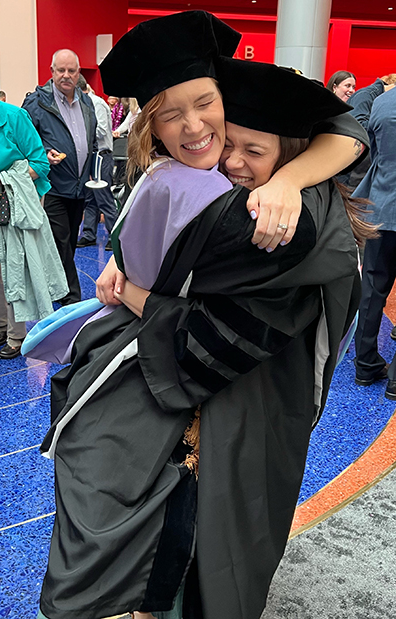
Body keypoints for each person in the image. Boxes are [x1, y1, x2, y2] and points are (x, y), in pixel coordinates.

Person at [26, 11, 367, 619]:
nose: (230, 157)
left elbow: (203, 339)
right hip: (202, 397)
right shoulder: (187, 182)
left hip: (240, 404)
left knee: (201, 545)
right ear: (149, 124)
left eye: (252, 149)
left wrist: (132, 293)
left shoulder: (280, 227)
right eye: (171, 114)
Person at [22, 49, 97, 305]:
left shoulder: (86, 103)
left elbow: (90, 140)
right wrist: (44, 152)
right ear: (51, 71)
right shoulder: (37, 102)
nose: (66, 76)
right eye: (60, 70)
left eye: (71, 71)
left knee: (69, 242)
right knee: (61, 240)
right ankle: (71, 297)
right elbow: (25, 142)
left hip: (79, 186)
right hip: (51, 185)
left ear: (79, 73)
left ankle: (58, 285)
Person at [0, 99, 68, 359]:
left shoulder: (15, 117)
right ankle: (0, 326)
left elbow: (40, 164)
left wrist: (3, 178)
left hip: (13, 207)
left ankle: (17, 335)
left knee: (14, 268)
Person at [353, 85, 396, 395]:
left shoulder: (381, 103)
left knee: (371, 289)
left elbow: (375, 156)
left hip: (380, 206)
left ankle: (365, 366)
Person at [76, 74, 117, 251]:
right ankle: (89, 234)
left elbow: (101, 130)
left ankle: (114, 236)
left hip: (101, 155)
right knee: (89, 198)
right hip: (91, 156)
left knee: (104, 197)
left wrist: (80, 130)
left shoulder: (97, 103)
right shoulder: (83, 103)